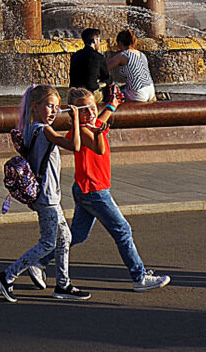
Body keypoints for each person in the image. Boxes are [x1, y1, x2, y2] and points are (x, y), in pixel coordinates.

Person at [40, 88, 170, 292]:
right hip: (94, 191)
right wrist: (99, 132)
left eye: (92, 107)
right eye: (84, 110)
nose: (91, 113)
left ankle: (38, 262)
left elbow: (100, 119)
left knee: (77, 235)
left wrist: (111, 105)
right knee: (123, 230)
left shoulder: (90, 123)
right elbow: (99, 148)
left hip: (86, 189)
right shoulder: (82, 130)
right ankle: (139, 277)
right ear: (75, 112)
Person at [0, 84, 89, 303]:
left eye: (57, 107)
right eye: (49, 106)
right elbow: (74, 145)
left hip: (46, 195)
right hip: (47, 198)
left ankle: (63, 285)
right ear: (35, 107)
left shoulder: (30, 128)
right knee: (48, 243)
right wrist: (74, 119)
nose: (54, 111)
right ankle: (7, 276)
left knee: (65, 238)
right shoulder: (44, 130)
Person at [106, 30, 156, 103]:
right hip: (151, 89)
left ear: (120, 42)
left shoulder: (123, 55)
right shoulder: (142, 54)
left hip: (138, 93)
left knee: (115, 94)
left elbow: (105, 67)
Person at [70, 28, 113, 95]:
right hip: (90, 93)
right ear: (94, 41)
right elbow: (106, 77)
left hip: (74, 93)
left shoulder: (75, 55)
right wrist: (101, 84)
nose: (99, 43)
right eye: (99, 40)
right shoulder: (98, 57)